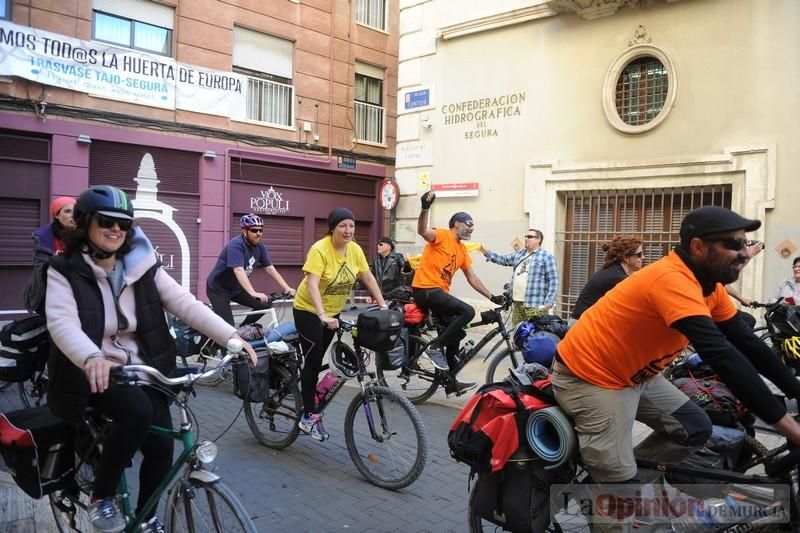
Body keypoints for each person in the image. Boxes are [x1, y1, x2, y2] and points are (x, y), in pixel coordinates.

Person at [551, 206, 800, 527]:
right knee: (619, 495)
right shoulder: (672, 280)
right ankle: (613, 489)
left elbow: (748, 343)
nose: (742, 253)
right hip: (592, 380)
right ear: (698, 247)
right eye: (733, 245)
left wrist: (796, 392)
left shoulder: (709, 287)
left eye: (744, 244)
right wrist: (789, 427)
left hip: (638, 374)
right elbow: (722, 355)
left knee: (695, 429)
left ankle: (616, 479)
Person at [45, 185, 257, 533]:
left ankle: (147, 517)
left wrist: (230, 336)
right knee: (137, 412)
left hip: (144, 368)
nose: (116, 230)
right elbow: (61, 321)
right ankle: (103, 497)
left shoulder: (142, 265)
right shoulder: (63, 269)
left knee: (161, 445)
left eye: (124, 224)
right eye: (107, 222)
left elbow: (184, 302)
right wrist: (91, 356)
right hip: (93, 369)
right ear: (85, 224)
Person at [293, 208, 387, 441]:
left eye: (351, 226)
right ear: (332, 228)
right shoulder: (320, 249)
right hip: (308, 310)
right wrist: (322, 314)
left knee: (333, 359)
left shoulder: (354, 250)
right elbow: (312, 283)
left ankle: (311, 395)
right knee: (313, 361)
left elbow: (367, 277)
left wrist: (383, 305)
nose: (348, 230)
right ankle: (308, 417)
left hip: (333, 313)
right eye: (343, 226)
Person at [412, 191, 504, 395]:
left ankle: (450, 383)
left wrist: (492, 297)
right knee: (468, 312)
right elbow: (422, 231)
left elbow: (473, 278)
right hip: (425, 289)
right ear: (455, 223)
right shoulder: (442, 234)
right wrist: (425, 208)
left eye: (473, 226)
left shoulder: (462, 250)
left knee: (455, 335)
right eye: (468, 223)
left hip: (438, 294)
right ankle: (435, 347)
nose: (471, 228)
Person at [206, 213, 295, 327]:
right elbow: (238, 270)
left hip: (236, 289)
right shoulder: (236, 245)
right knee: (228, 329)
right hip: (218, 290)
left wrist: (286, 288)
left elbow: (270, 269)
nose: (258, 233)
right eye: (254, 230)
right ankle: (223, 340)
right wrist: (252, 292)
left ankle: (244, 330)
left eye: (260, 230)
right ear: (245, 231)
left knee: (265, 304)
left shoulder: (260, 246)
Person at [480, 228, 559, 325]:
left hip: (535, 304)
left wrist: (549, 301)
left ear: (538, 240)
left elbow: (553, 280)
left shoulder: (546, 256)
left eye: (530, 237)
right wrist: (486, 252)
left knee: (534, 333)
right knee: (518, 332)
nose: (526, 238)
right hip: (517, 303)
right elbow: (503, 259)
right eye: (525, 236)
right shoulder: (520, 254)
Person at [570, 236, 643, 320]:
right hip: (582, 325)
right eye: (639, 255)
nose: (643, 257)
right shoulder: (616, 277)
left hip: (584, 321)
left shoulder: (613, 270)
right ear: (626, 258)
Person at [31, 196, 76, 266]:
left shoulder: (86, 232)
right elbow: (40, 269)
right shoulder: (44, 236)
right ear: (57, 215)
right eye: (68, 211)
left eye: (76, 211)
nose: (73, 215)